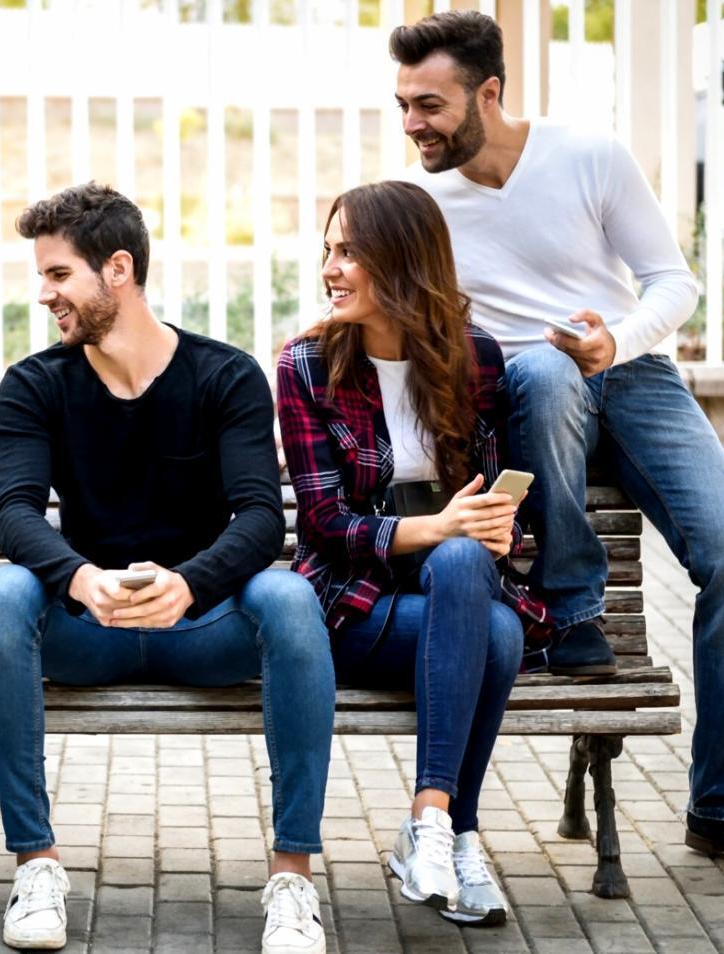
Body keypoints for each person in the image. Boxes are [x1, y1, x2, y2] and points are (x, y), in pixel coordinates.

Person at [389, 10, 724, 878]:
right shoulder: (421, 205)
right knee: (539, 371)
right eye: (402, 105)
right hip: (525, 395)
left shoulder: (587, 156)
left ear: (488, 93)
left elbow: (671, 282)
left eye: (427, 105)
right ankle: (574, 613)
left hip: (633, 377)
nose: (411, 125)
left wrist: (616, 341)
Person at [0, 183, 336, 953]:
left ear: (118, 269)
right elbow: (15, 512)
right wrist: (79, 579)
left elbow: (262, 518)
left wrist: (189, 583)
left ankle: (292, 877)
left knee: (290, 598)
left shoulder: (224, 376)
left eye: (58, 275)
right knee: (0, 594)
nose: (44, 295)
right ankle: (36, 866)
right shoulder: (36, 384)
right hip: (87, 631)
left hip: (205, 629)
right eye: (42, 276)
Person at [277, 181, 522, 926]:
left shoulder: (474, 358)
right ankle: (456, 831)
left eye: (349, 251)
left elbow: (490, 496)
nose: (330, 268)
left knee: (476, 587)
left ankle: (434, 824)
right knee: (496, 633)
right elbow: (324, 524)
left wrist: (495, 526)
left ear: (403, 259)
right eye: (328, 250)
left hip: (454, 589)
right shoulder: (306, 365)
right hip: (353, 603)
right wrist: (441, 530)